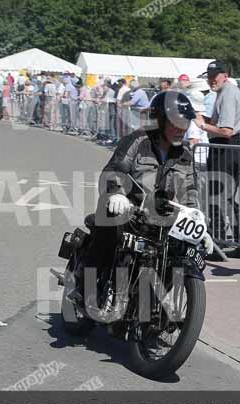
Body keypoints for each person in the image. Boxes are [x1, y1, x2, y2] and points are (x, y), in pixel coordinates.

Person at [68, 91, 212, 303]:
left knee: (181, 252)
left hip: (161, 220)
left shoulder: (185, 156)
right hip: (129, 212)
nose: (181, 129)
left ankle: (152, 303)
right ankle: (84, 288)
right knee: (109, 222)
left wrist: (199, 228)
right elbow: (113, 171)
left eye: (185, 123)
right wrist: (117, 194)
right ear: (161, 121)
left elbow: (190, 195)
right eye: (175, 123)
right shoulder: (137, 141)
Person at [196, 60, 240, 257]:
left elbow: (226, 130)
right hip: (223, 148)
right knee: (221, 196)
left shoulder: (228, 93)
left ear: (225, 75)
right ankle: (238, 242)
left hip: (226, 148)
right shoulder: (223, 92)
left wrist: (202, 125)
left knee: (220, 195)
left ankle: (226, 243)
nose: (211, 80)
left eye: (215, 76)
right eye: (209, 76)